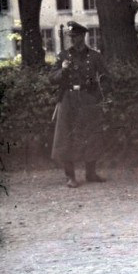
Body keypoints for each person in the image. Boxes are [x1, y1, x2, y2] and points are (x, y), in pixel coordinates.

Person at [49, 21, 109, 188]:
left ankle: (91, 173)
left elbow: (106, 79)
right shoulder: (63, 56)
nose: (72, 39)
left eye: (75, 36)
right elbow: (51, 78)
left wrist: (97, 96)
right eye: (71, 37)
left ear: (83, 36)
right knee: (66, 136)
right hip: (68, 99)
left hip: (88, 98)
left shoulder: (95, 56)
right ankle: (70, 176)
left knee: (91, 135)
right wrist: (63, 70)